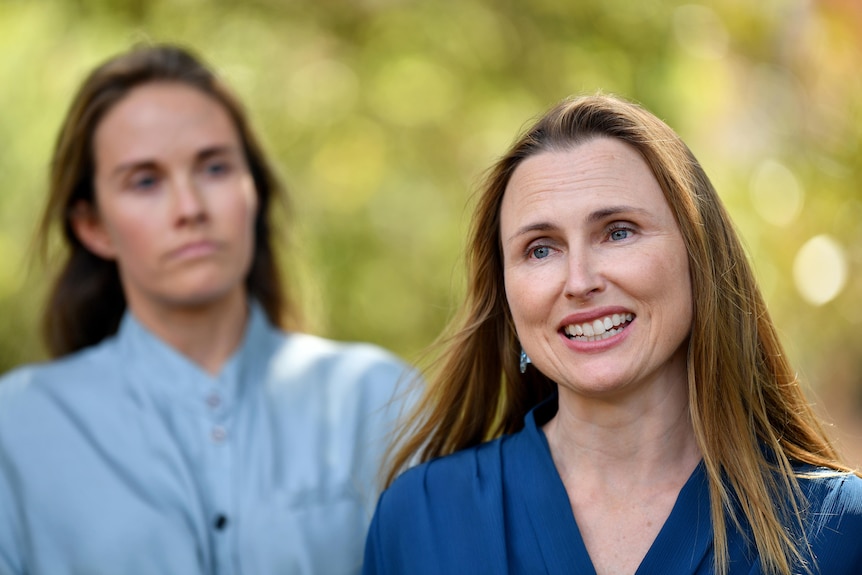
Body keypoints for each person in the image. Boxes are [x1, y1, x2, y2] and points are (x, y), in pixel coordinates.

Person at [363, 94, 862, 574]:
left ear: (699, 258)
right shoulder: (419, 522)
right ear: (507, 297)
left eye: (618, 231)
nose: (580, 282)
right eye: (540, 249)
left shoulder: (837, 530)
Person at [0, 43, 412, 575]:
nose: (190, 208)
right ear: (93, 226)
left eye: (214, 168)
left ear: (252, 192)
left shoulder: (377, 400)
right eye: (145, 181)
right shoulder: (17, 427)